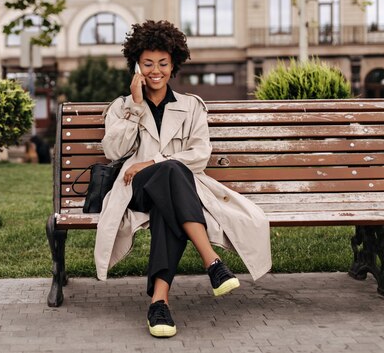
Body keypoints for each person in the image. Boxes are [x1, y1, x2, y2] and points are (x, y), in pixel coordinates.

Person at [94, 20, 272, 338]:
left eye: (162, 63)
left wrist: (153, 160)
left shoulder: (191, 107)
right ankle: (212, 262)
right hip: (135, 190)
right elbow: (113, 150)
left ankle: (159, 304)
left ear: (173, 63)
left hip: (175, 191)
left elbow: (200, 155)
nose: (155, 70)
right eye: (147, 63)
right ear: (136, 64)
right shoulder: (121, 107)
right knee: (172, 173)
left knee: (170, 193)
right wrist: (135, 107)